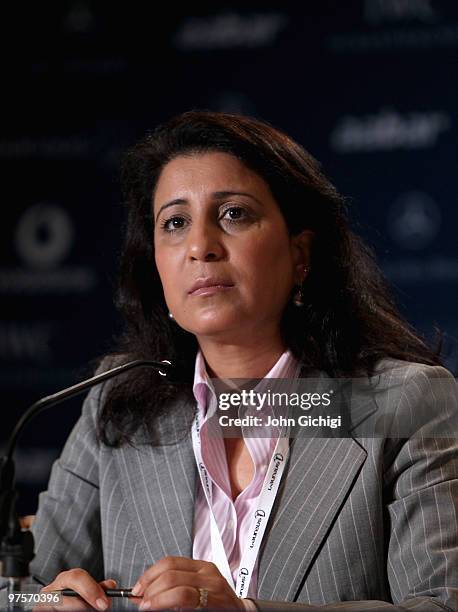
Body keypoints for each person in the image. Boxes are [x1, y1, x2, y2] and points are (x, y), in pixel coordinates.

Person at [29, 111, 457, 611]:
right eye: (175, 223)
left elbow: (440, 604)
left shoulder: (399, 404)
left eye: (233, 214)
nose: (200, 247)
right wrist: (40, 602)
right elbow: (13, 588)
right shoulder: (118, 402)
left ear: (301, 254)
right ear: (158, 267)